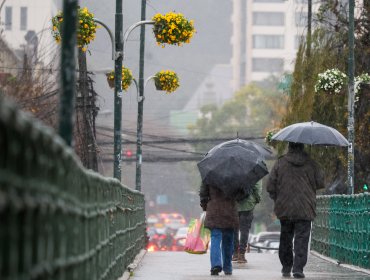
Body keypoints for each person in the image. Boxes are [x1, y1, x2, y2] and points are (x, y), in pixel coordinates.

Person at [266, 142, 324, 279]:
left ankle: (286, 266)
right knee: (302, 239)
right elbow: (321, 182)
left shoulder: (280, 163)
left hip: (285, 208)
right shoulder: (311, 163)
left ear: (290, 147)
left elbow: (270, 185)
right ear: (303, 147)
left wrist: (277, 198)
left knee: (286, 237)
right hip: (305, 208)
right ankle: (298, 268)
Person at [200, 183, 239, 276]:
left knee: (215, 238)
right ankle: (228, 267)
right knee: (228, 240)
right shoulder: (235, 176)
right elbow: (242, 194)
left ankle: (215, 265)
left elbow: (203, 193)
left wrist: (205, 206)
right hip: (230, 211)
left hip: (214, 211)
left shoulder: (209, 176)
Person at [232, 181, 262, 263]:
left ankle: (234, 253)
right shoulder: (255, 172)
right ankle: (241, 254)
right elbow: (257, 188)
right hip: (248, 205)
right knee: (244, 230)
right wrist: (256, 200)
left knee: (234, 229)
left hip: (234, 204)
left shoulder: (234, 170)